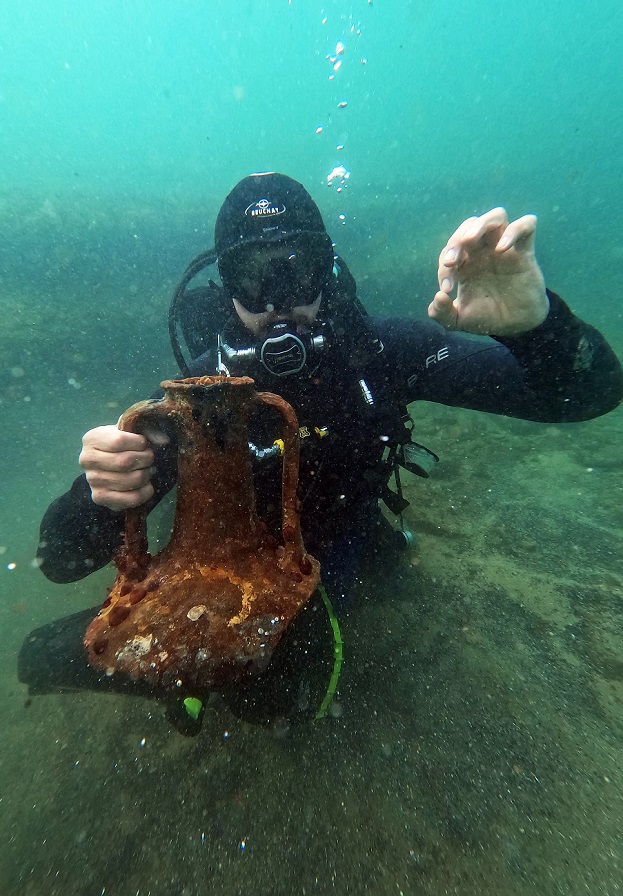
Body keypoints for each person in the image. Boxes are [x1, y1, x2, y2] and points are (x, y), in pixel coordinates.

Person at [38, 172, 623, 611]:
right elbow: (61, 561)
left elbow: (590, 394)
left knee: (286, 676)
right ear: (226, 287)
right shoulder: (196, 399)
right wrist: (102, 492)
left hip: (343, 538)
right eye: (253, 277)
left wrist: (539, 329)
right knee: (48, 653)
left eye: (296, 268)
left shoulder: (384, 353)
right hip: (229, 555)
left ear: (328, 270)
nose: (277, 300)